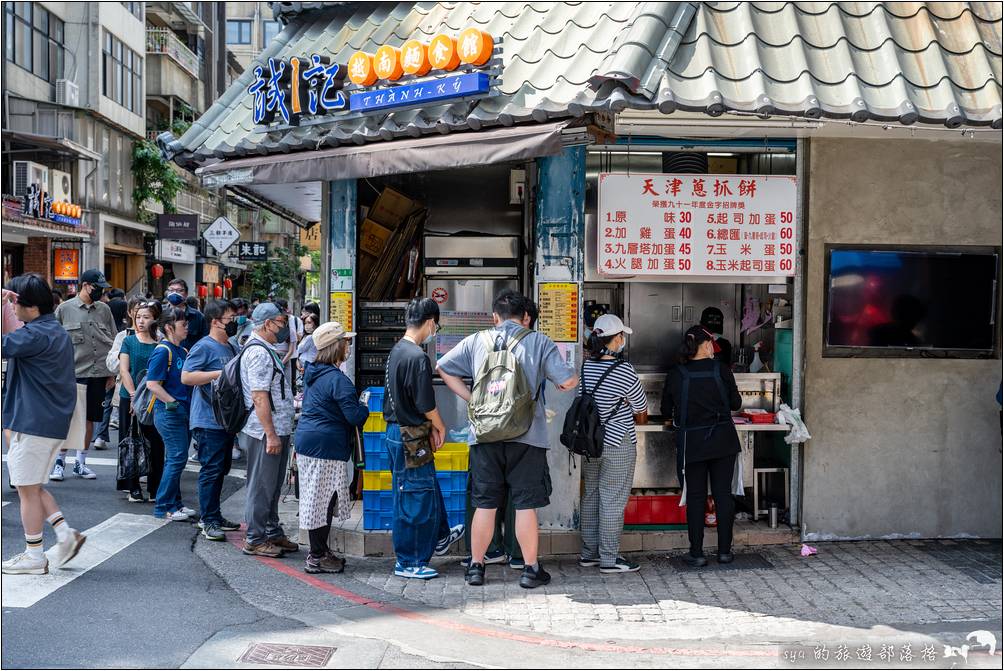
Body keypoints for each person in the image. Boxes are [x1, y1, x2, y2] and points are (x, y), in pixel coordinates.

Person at [437, 289, 578, 589]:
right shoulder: (538, 341)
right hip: (527, 436)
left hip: (485, 436)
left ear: (495, 317)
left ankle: (476, 567)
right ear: (525, 317)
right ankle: (530, 570)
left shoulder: (477, 340)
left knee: (485, 504)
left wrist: (472, 398)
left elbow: (443, 367)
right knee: (526, 505)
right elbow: (567, 380)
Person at [1, 276, 88, 574]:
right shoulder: (51, 330)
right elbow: (15, 335)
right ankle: (65, 534)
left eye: (16, 303)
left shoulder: (35, 336)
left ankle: (34, 555)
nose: (13, 307)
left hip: (33, 422)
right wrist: (7, 305)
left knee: (25, 488)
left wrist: (2, 306)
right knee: (32, 485)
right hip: (48, 421)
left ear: (32, 307)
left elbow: (6, 343)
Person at [383, 297, 465, 580]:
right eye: (436, 325)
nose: (435, 330)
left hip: (398, 433)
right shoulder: (417, 357)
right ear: (430, 322)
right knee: (413, 497)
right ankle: (408, 560)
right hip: (411, 437)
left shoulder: (397, 350)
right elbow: (426, 405)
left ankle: (441, 535)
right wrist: (440, 426)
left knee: (424, 487)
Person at [661, 325, 743, 567]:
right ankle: (725, 552)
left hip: (693, 443)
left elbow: (666, 410)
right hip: (723, 441)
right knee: (723, 496)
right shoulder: (721, 369)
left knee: (696, 498)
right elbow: (736, 403)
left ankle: (696, 553)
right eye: (711, 345)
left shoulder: (677, 373)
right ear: (706, 345)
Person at [293, 321, 369, 574]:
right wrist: (364, 408)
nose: (349, 345)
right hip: (325, 446)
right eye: (346, 341)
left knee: (318, 499)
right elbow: (354, 417)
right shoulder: (338, 380)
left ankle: (321, 551)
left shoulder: (314, 373)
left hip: (309, 442)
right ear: (336, 346)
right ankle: (316, 557)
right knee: (322, 502)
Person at [577, 314, 648, 573]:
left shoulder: (584, 366)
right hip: (617, 443)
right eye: (622, 337)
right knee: (612, 500)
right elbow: (641, 411)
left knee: (591, 496)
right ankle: (609, 558)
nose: (623, 341)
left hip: (589, 443)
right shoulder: (624, 369)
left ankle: (588, 554)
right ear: (615, 339)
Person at [239, 302, 299, 557]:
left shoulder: (267, 348)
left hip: (277, 427)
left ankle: (272, 531)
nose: (284, 327)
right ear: (267, 324)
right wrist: (271, 434)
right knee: (262, 485)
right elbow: (259, 396)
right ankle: (255, 537)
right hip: (265, 431)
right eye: (281, 323)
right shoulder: (259, 353)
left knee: (273, 485)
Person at [181, 299, 243, 541]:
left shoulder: (231, 347)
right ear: (215, 321)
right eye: (230, 319)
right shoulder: (203, 347)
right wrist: (220, 373)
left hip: (226, 420)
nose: (234, 323)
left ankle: (215, 515)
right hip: (207, 419)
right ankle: (207, 520)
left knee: (220, 470)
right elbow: (187, 376)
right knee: (211, 470)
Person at [51, 268, 116, 481]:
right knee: (68, 419)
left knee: (90, 419)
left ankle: (81, 461)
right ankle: (59, 462)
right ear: (85, 285)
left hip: (98, 372)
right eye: (97, 288)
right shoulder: (64, 309)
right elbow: (54, 343)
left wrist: (111, 373)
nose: (101, 292)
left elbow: (113, 341)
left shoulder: (104, 310)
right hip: (72, 373)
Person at [146, 306, 196, 522]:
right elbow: (152, 384)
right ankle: (164, 506)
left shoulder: (182, 351)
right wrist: (173, 402)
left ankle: (175, 503)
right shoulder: (162, 351)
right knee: (176, 458)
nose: (187, 328)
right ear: (168, 327)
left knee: (176, 459)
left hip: (182, 412)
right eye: (183, 324)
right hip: (168, 413)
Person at [117, 300, 166, 502]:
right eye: (138, 317)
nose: (141, 321)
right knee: (131, 442)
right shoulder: (129, 341)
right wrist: (132, 397)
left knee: (155, 443)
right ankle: (132, 486)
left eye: (146, 317)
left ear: (155, 319)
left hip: (155, 398)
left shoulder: (161, 343)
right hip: (130, 397)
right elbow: (124, 370)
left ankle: (155, 488)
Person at [165, 278, 208, 349]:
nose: (175, 293)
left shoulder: (197, 316)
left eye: (179, 290)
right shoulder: (161, 313)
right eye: (171, 290)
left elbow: (205, 339)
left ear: (186, 294)